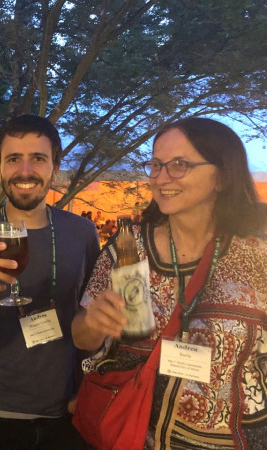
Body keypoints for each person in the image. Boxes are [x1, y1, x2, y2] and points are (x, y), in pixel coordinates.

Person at [72, 117, 267, 448]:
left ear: (221, 176)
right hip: (132, 433)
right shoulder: (128, 247)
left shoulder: (257, 257)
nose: (161, 178)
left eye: (179, 165)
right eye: (156, 165)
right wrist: (93, 322)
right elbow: (80, 336)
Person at [0, 115, 100, 449]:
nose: (25, 171)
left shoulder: (82, 233)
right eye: (13, 159)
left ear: (55, 168)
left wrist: (86, 389)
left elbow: (93, 324)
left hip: (66, 413)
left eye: (38, 159)